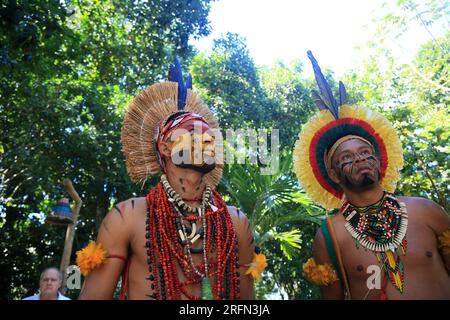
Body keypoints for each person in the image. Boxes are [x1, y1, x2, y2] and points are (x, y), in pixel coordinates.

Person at [76, 59, 262, 300]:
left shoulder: (236, 222)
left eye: (209, 137)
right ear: (165, 147)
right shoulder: (126, 217)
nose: (207, 140)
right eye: (192, 132)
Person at [295, 51, 450, 299]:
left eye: (365, 152)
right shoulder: (330, 236)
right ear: (334, 175)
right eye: (346, 158)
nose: (358, 159)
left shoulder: (427, 210)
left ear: (379, 162)